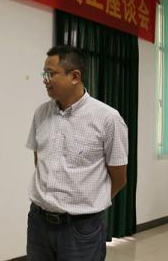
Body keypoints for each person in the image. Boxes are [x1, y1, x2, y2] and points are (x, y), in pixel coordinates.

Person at [26, 45, 128, 261]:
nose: (45, 80)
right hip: (38, 223)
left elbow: (119, 177)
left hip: (82, 229)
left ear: (75, 76)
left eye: (51, 74)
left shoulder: (108, 119)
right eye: (44, 74)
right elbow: (39, 160)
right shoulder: (41, 113)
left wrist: (88, 204)